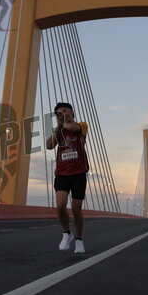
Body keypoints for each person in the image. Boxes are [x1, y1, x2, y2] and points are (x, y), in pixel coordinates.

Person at [46, 102, 89, 254]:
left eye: (65, 111)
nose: (63, 114)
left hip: (79, 173)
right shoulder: (60, 131)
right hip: (62, 174)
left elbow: (73, 127)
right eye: (59, 113)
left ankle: (79, 239)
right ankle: (67, 233)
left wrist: (62, 123)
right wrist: (58, 128)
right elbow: (49, 145)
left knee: (76, 209)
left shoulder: (81, 126)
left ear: (72, 112)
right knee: (60, 205)